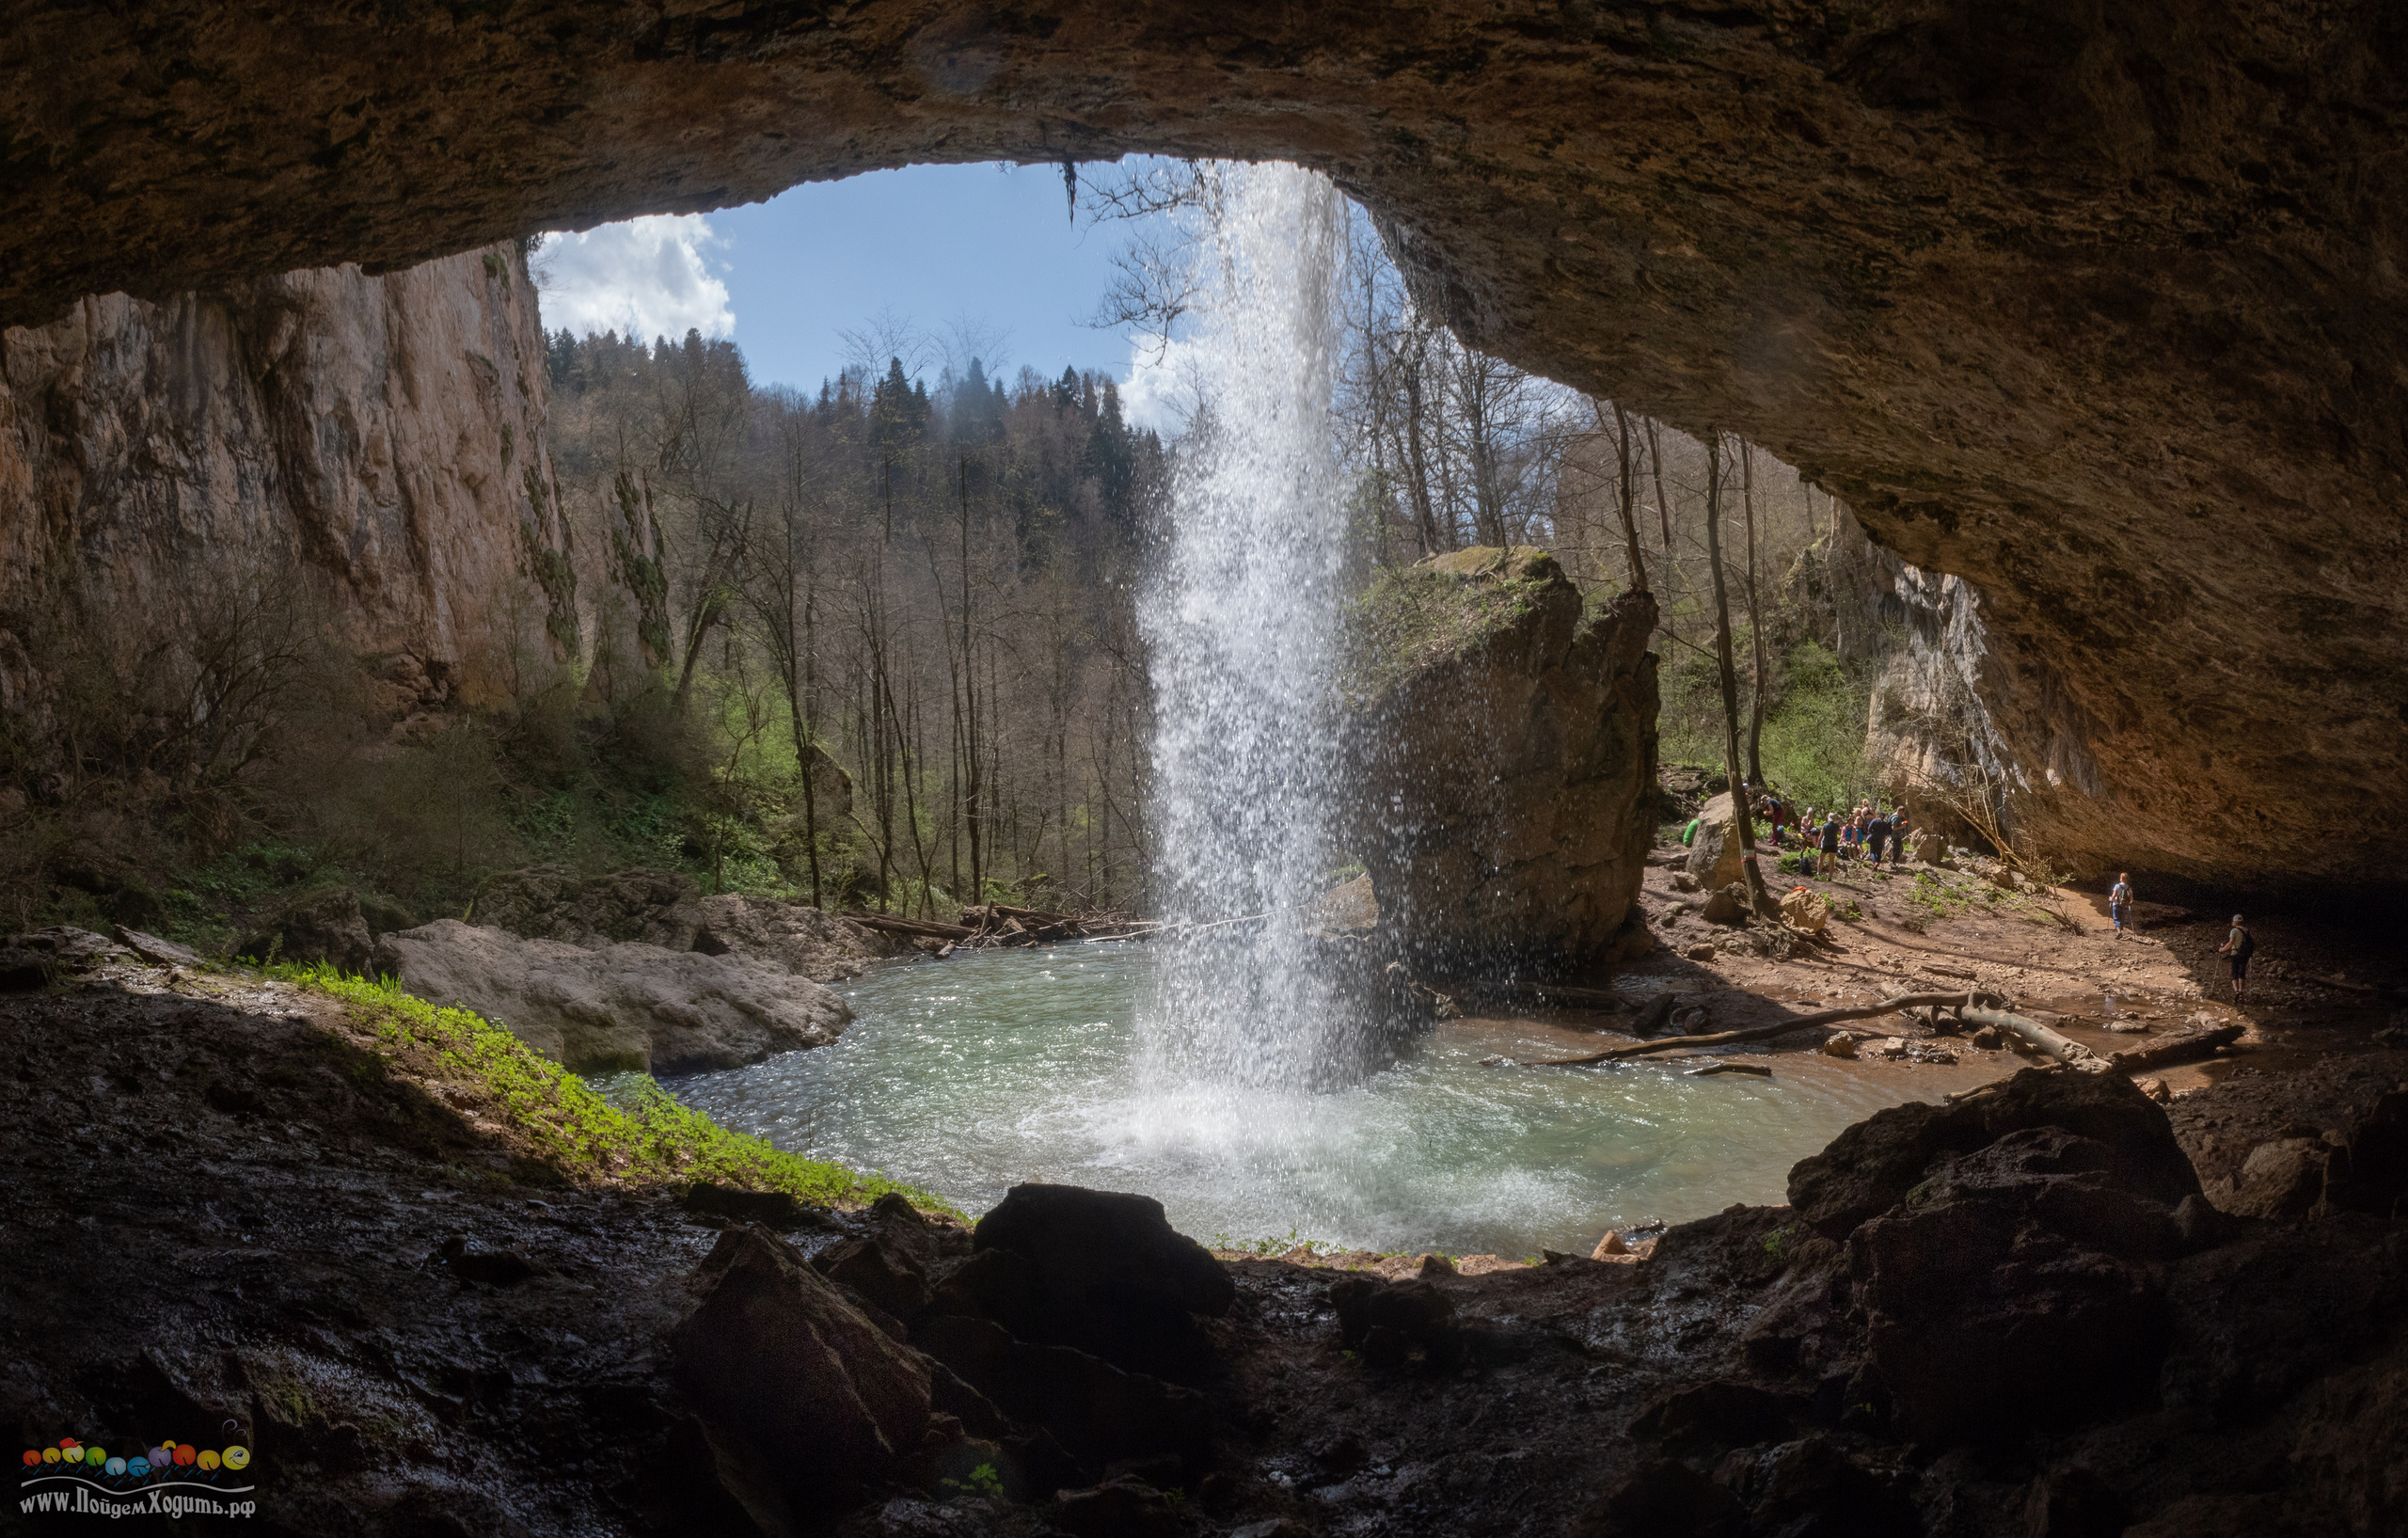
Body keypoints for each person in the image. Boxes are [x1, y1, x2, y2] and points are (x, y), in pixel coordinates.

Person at [2216, 913, 2255, 1001]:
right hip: (2245, 954)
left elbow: (2231, 942)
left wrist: (2222, 949)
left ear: (2235, 922)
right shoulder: (2246, 931)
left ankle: (2236, 991)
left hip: (2235, 953)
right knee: (2242, 972)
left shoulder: (2234, 930)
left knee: (2234, 972)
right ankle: (2241, 991)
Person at [2109, 872, 2133, 941]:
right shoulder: (2129, 888)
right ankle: (2120, 929)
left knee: (2116, 918)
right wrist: (2129, 904)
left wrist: (2111, 899)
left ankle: (2119, 933)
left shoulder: (2117, 886)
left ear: (2122, 878)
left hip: (2116, 905)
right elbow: (2131, 899)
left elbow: (2113, 896)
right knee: (2121, 919)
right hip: (2124, 905)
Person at [1818, 811, 1841, 879]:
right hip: (1834, 844)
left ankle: (1819, 873)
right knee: (1832, 860)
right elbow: (1839, 833)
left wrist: (1818, 844)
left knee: (1821, 858)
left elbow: (1821, 835)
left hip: (1826, 844)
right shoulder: (1836, 826)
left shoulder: (1825, 826)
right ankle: (1830, 876)